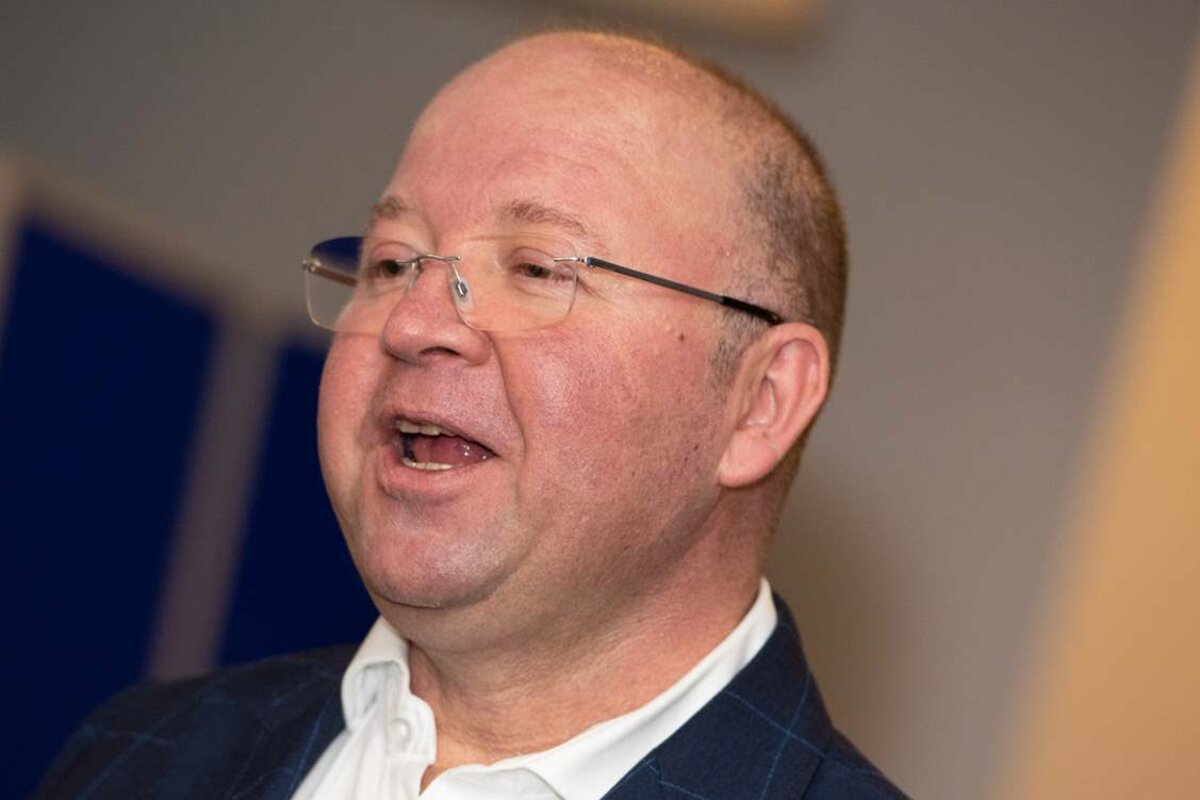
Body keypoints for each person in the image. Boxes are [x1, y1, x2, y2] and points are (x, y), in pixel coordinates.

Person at [36, 30, 907, 800]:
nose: (412, 323)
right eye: (390, 264)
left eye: (536, 269)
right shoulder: (135, 753)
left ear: (760, 403)